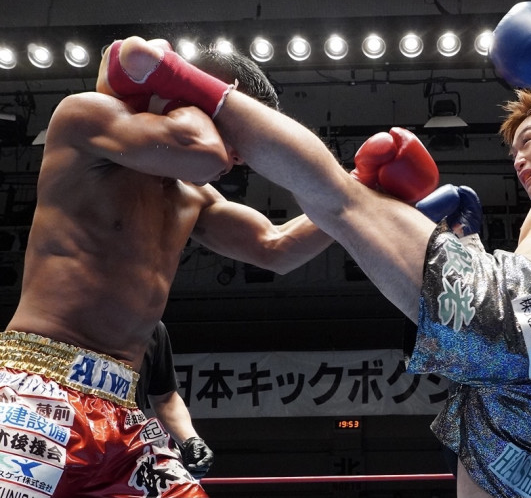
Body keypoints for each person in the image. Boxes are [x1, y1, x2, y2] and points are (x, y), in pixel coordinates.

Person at [102, 0, 531, 498]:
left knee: (342, 200)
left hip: (524, 324)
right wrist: (467, 245)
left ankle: (180, 77)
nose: (518, 160)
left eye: (526, 140)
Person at [0, 41, 338, 497]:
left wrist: (364, 191)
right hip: (36, 390)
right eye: (240, 132)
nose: (240, 157)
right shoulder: (87, 117)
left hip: (122, 414)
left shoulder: (191, 194)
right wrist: (188, 91)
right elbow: (204, 152)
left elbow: (275, 247)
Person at [137, 321, 214, 480]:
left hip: (125, 450)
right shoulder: (80, 322)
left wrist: (191, 440)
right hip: (81, 446)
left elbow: (165, 398)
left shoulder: (151, 327)